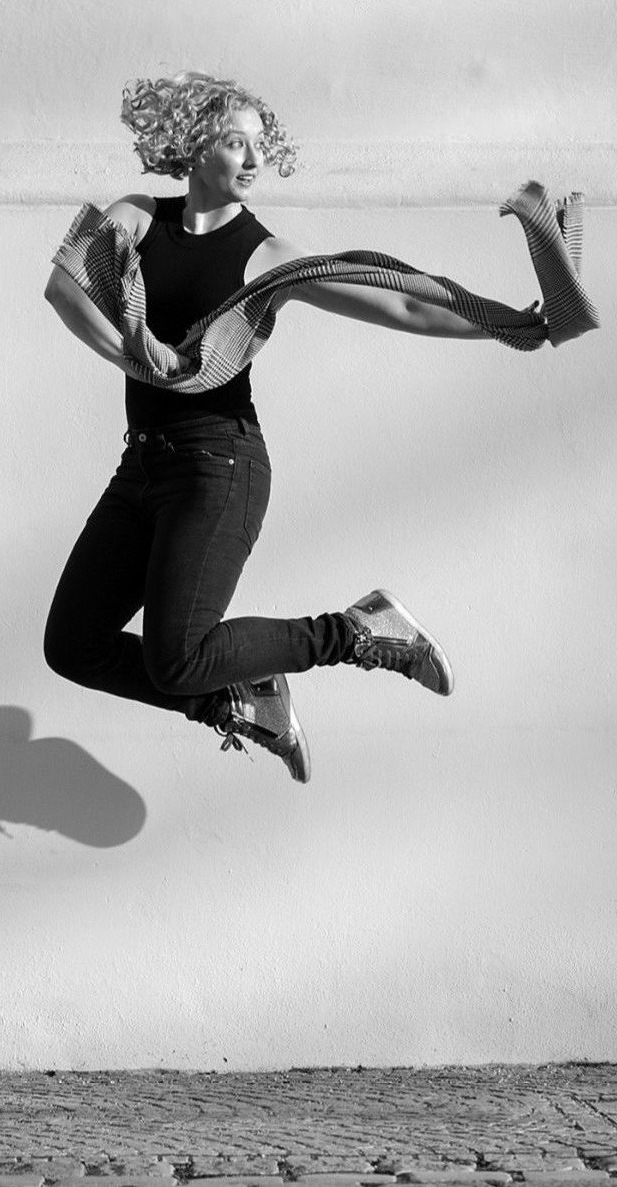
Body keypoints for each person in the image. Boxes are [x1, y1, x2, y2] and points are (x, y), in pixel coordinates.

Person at [42, 70, 593, 784]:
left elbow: (403, 307)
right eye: (236, 142)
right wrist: (138, 358)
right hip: (141, 468)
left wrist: (514, 327)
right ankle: (249, 701)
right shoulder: (139, 216)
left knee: (174, 657)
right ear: (193, 142)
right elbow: (63, 287)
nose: (253, 159)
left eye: (260, 146)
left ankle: (363, 631)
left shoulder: (269, 258)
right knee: (73, 643)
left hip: (220, 467)